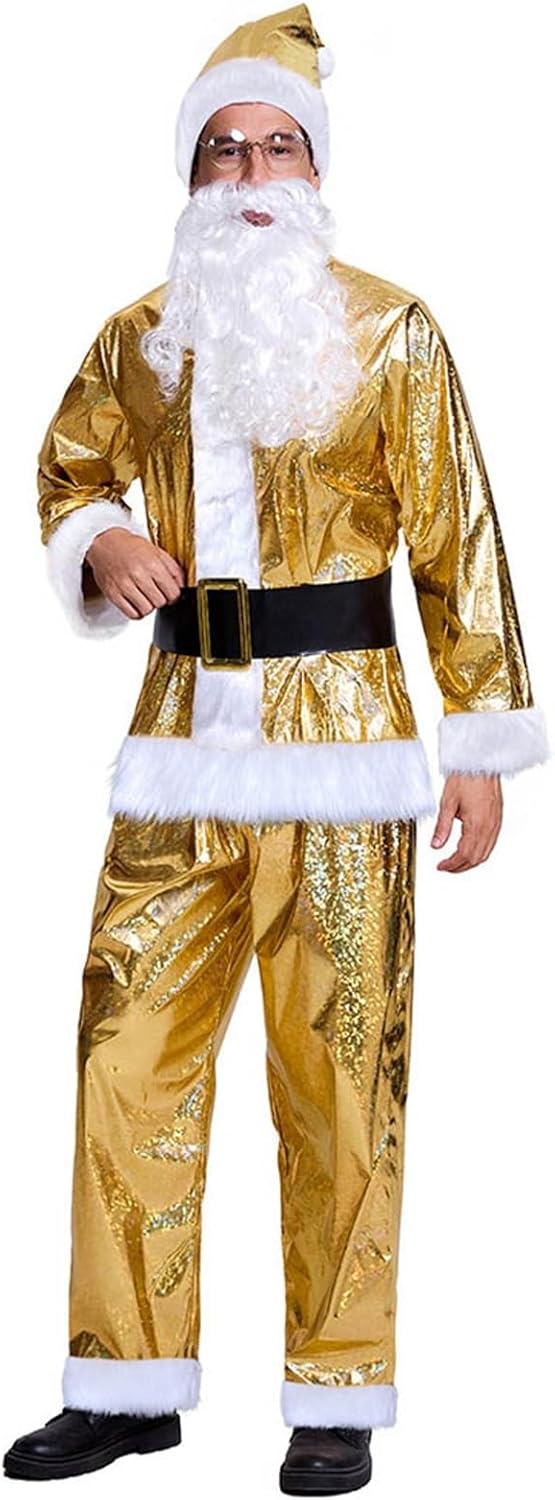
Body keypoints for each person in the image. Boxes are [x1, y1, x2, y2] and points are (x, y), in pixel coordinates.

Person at [3, 4, 550, 1494]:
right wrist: (100, 539)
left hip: (344, 742)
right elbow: (65, 469)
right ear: (191, 177)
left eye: (278, 148)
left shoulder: (391, 330)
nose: (250, 175)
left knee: (341, 1068)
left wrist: (479, 741)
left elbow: (459, 538)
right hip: (178, 742)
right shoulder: (141, 336)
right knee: (124, 1053)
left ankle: (336, 1391)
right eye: (223, 151)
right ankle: (125, 1384)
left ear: (317, 171)